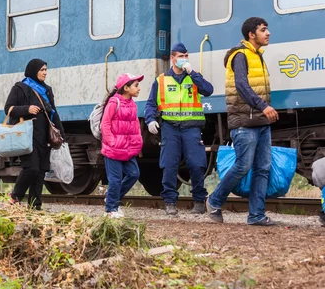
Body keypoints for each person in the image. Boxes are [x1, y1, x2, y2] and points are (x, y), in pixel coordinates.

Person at [207, 17, 279, 226]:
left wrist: (263, 111)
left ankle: (256, 215)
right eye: (263, 30)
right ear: (251, 34)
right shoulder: (240, 55)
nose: (268, 33)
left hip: (261, 121)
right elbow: (241, 85)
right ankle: (213, 200)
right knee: (243, 166)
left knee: (262, 168)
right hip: (244, 122)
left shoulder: (258, 56)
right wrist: (263, 106)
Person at [145, 42, 214, 215]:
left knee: (196, 164)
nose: (184, 59)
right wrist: (150, 119)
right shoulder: (160, 81)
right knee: (169, 164)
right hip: (170, 128)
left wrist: (193, 72)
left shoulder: (194, 77)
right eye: (180, 57)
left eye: (186, 56)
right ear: (172, 58)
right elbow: (151, 104)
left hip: (192, 127)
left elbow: (208, 90)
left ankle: (199, 201)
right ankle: (169, 202)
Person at [4, 59, 65, 210]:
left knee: (41, 172)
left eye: (46, 69)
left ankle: (35, 206)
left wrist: (61, 134)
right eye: (42, 69)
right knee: (31, 168)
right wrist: (27, 109)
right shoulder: (20, 87)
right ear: (33, 70)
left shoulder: (47, 90)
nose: (45, 72)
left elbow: (54, 113)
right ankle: (15, 196)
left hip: (45, 136)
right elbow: (8, 108)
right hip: (27, 136)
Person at [101, 73, 144, 218]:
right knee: (115, 180)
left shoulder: (133, 104)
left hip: (127, 149)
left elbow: (136, 125)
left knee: (134, 174)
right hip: (114, 150)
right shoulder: (114, 102)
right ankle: (111, 209)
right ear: (126, 88)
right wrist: (111, 142)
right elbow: (105, 123)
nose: (139, 88)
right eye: (136, 85)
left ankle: (112, 198)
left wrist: (138, 142)